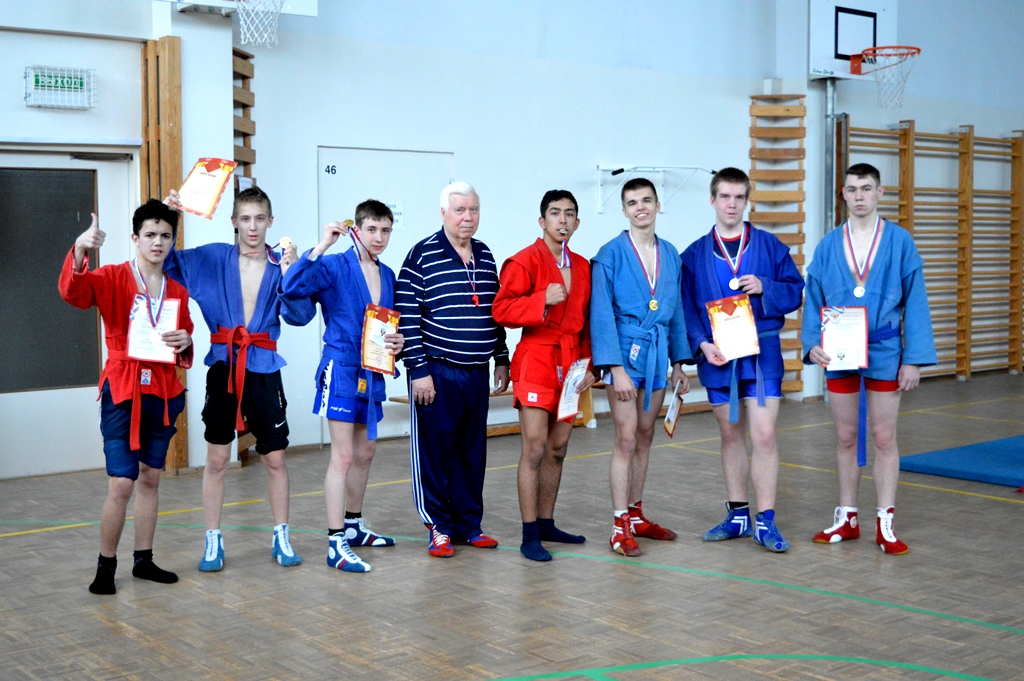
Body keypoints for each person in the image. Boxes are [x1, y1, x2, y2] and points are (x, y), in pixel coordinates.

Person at [163, 187, 315, 571]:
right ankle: (212, 539)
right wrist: (170, 215)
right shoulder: (215, 258)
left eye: (259, 218)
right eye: (245, 219)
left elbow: (300, 317)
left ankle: (281, 535)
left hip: (263, 367)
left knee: (275, 458)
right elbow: (168, 260)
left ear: (270, 221)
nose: (252, 227)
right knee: (217, 459)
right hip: (223, 366)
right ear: (233, 222)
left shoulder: (281, 263)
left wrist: (292, 274)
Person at [59, 201, 194, 594]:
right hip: (122, 388)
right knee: (121, 482)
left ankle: (144, 560)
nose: (158, 242)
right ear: (135, 238)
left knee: (150, 477)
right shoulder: (113, 276)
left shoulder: (177, 291)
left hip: (162, 390)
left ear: (172, 240)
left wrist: (186, 340)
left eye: (165, 235)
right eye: (150, 235)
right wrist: (80, 249)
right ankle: (106, 566)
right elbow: (73, 292)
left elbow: (184, 340)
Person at [803, 163, 936, 555]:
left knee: (883, 437)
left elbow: (916, 302)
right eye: (852, 189)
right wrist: (812, 343)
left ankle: (885, 522)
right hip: (840, 350)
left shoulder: (900, 242)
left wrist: (913, 359)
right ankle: (847, 517)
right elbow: (814, 299)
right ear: (843, 194)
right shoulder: (829, 245)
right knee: (845, 436)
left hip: (885, 351)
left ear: (880, 192)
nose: (858, 196)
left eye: (866, 188)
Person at [680, 167, 805, 553]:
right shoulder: (694, 254)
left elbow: (796, 291)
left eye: (738, 197)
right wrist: (701, 344)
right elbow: (686, 308)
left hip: (762, 353)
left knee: (764, 435)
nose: (731, 204)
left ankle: (766, 520)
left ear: (747, 201)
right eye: (725, 197)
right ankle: (738, 516)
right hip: (718, 356)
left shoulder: (770, 246)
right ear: (713, 200)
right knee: (730, 434)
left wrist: (766, 287)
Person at [280, 200, 404, 572]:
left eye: (385, 230)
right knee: (344, 456)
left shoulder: (388, 274)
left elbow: (389, 325)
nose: (379, 237)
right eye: (372, 230)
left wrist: (398, 343)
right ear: (356, 230)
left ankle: (353, 525)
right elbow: (291, 285)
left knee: (366, 452)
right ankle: (335, 542)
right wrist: (322, 245)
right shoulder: (334, 265)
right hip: (341, 366)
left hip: (373, 368)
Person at [395, 181, 511, 558]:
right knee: (436, 453)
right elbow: (407, 316)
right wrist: (418, 370)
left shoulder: (486, 254)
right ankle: (439, 527)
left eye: (473, 209)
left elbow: (495, 311)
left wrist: (501, 357)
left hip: (477, 372)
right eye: (459, 210)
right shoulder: (422, 255)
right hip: (437, 372)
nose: (467, 217)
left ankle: (469, 525)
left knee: (472, 453)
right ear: (443, 213)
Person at [590, 177, 691, 558]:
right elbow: (601, 314)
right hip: (624, 354)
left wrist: (679, 363)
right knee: (627, 438)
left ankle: (636, 513)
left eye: (646, 200)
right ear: (623, 210)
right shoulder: (610, 255)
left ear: (658, 205)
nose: (640, 207)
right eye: (632, 202)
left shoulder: (671, 254)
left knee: (646, 435)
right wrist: (614, 369)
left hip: (657, 354)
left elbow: (677, 312)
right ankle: (619, 526)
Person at [493, 190, 596, 561]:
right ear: (542, 220)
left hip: (571, 363)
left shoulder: (582, 266)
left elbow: (588, 321)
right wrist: (541, 300)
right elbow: (501, 310)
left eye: (569, 214)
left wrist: (590, 366)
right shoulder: (524, 261)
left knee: (558, 448)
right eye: (555, 213)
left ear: (577, 222)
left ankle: (547, 522)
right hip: (536, 357)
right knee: (535, 447)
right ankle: (529, 533)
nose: (562, 220)